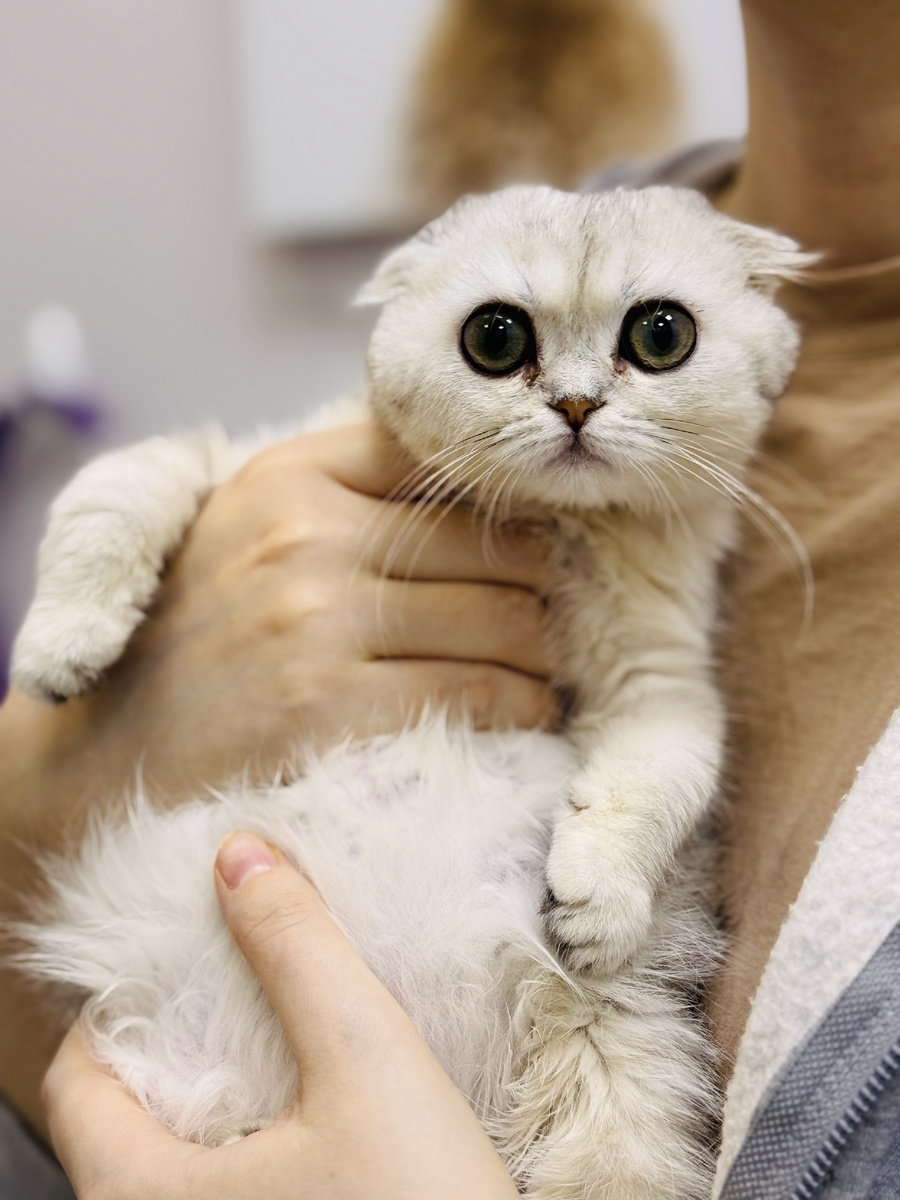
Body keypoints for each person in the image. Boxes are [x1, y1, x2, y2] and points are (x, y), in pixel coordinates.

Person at [4, 0, 900, 1195]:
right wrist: (43, 752)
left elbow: (656, 705)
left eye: (654, 339)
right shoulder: (551, 247)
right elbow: (175, 473)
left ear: (765, 345)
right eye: (496, 344)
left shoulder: (678, 510)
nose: (575, 399)